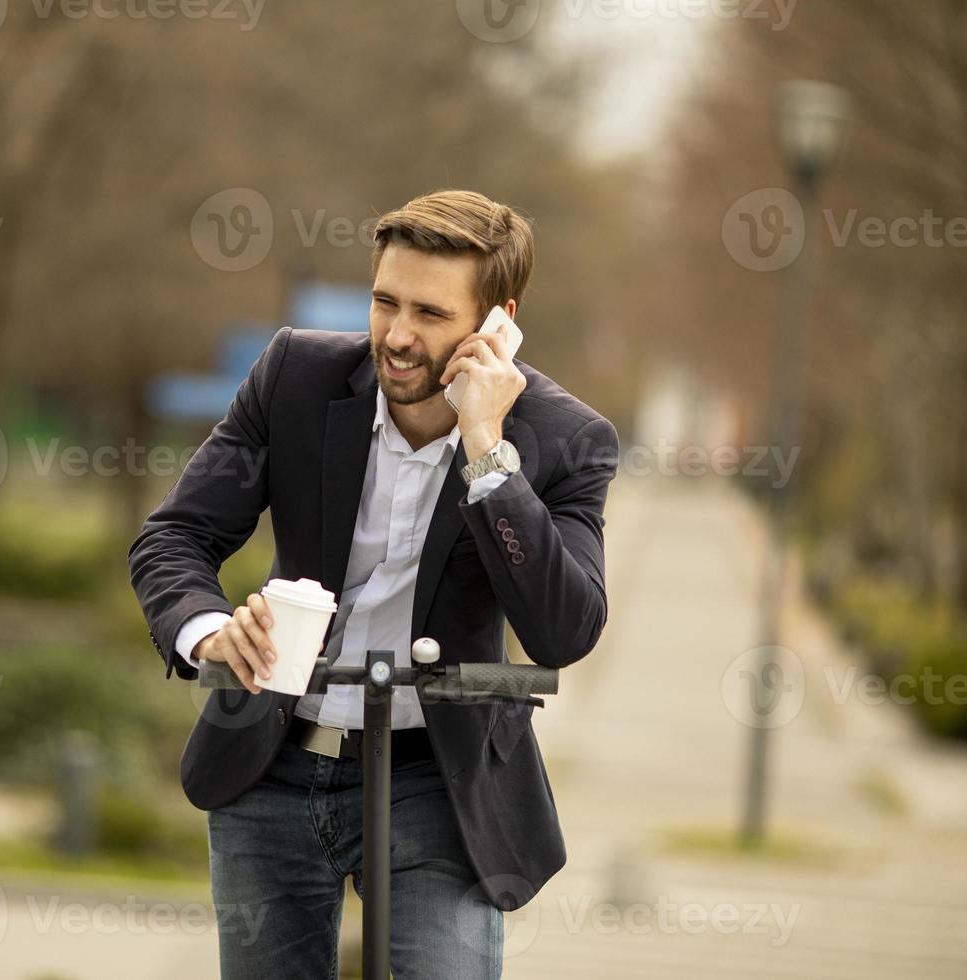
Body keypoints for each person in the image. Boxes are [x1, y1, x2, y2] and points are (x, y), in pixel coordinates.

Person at [128, 189, 619, 979]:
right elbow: (174, 536)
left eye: (430, 313)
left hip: (437, 783)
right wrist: (208, 634)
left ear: (496, 323)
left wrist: (487, 450)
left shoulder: (565, 440)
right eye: (384, 301)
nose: (396, 335)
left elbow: (566, 627)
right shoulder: (294, 376)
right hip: (270, 764)